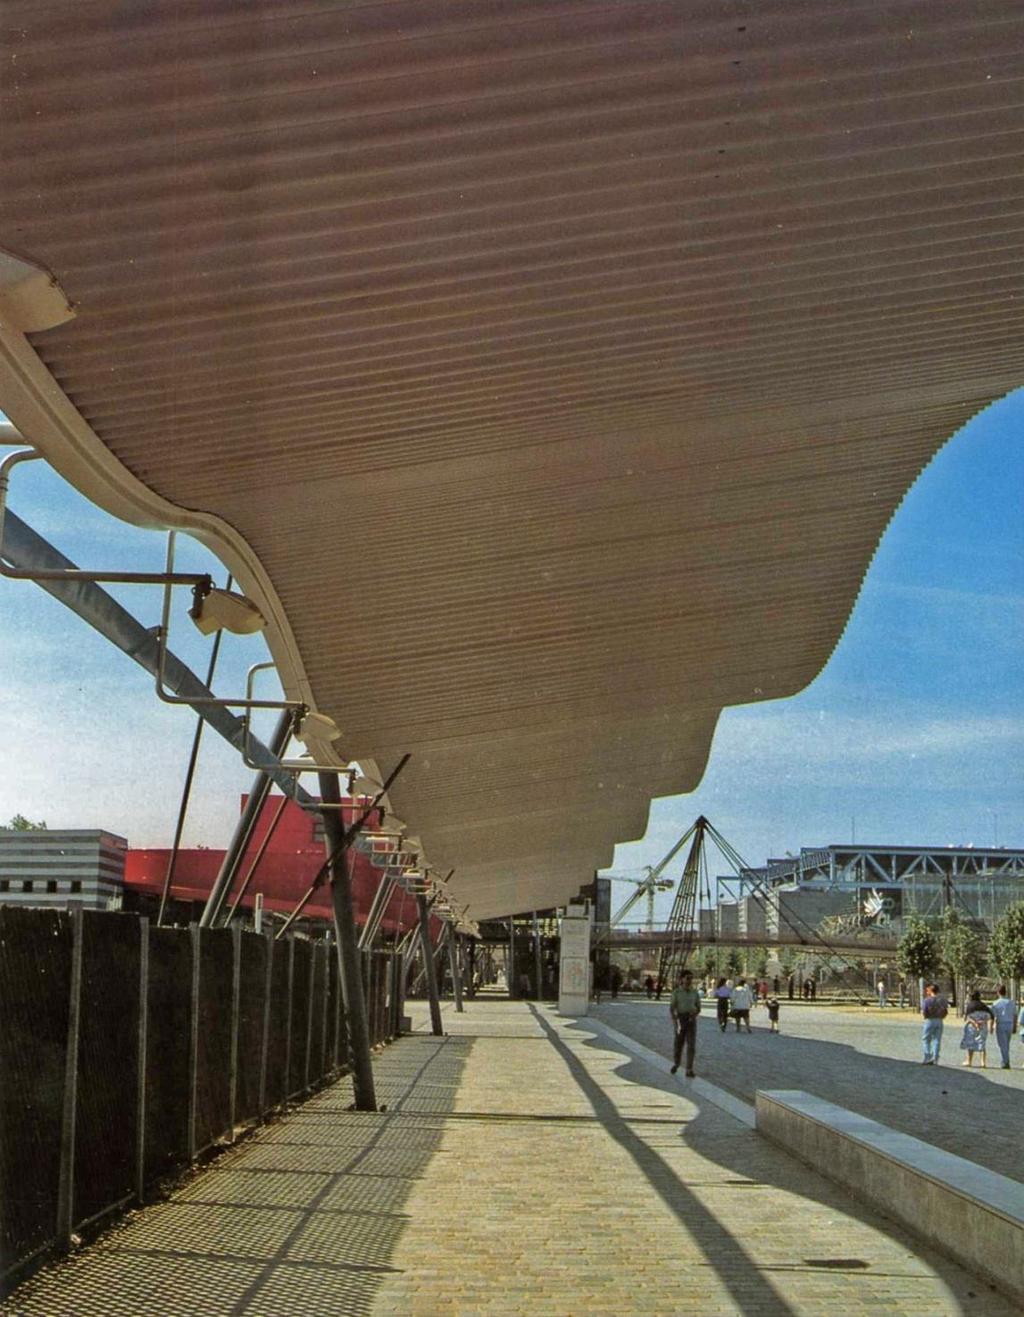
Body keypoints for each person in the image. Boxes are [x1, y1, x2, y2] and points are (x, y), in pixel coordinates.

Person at [669, 969, 701, 1077]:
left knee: (691, 1045)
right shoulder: (676, 992)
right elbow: (672, 1007)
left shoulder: (694, 992)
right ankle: (677, 1063)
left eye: (691, 978)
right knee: (678, 1044)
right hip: (680, 1019)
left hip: (691, 1020)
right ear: (682, 979)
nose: (689, 980)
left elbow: (698, 1007)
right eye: (687, 978)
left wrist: (695, 1014)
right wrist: (675, 1019)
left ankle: (689, 1069)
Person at [959, 989, 994, 1068]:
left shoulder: (970, 1005)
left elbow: (967, 1017)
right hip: (983, 1026)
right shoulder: (984, 1005)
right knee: (982, 1043)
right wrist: (983, 1022)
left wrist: (975, 1023)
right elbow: (991, 1016)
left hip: (972, 1026)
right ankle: (983, 1062)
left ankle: (969, 1061)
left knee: (971, 1043)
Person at [921, 982, 948, 1064]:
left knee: (926, 1039)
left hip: (930, 1020)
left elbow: (924, 1011)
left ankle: (927, 1056)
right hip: (939, 1020)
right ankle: (936, 1058)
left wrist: (926, 1017)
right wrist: (942, 1017)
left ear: (930, 990)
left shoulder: (927, 1000)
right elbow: (945, 1011)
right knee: (937, 1039)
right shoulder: (942, 1000)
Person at [990, 986, 1017, 1069]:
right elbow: (1015, 1015)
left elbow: (992, 1016)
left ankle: (1005, 1062)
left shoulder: (996, 1003)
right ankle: (1005, 1060)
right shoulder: (1011, 1002)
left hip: (1001, 1024)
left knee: (1002, 1044)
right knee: (1006, 1044)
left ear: (998, 993)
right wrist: (1015, 1026)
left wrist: (991, 1026)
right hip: (1010, 1023)